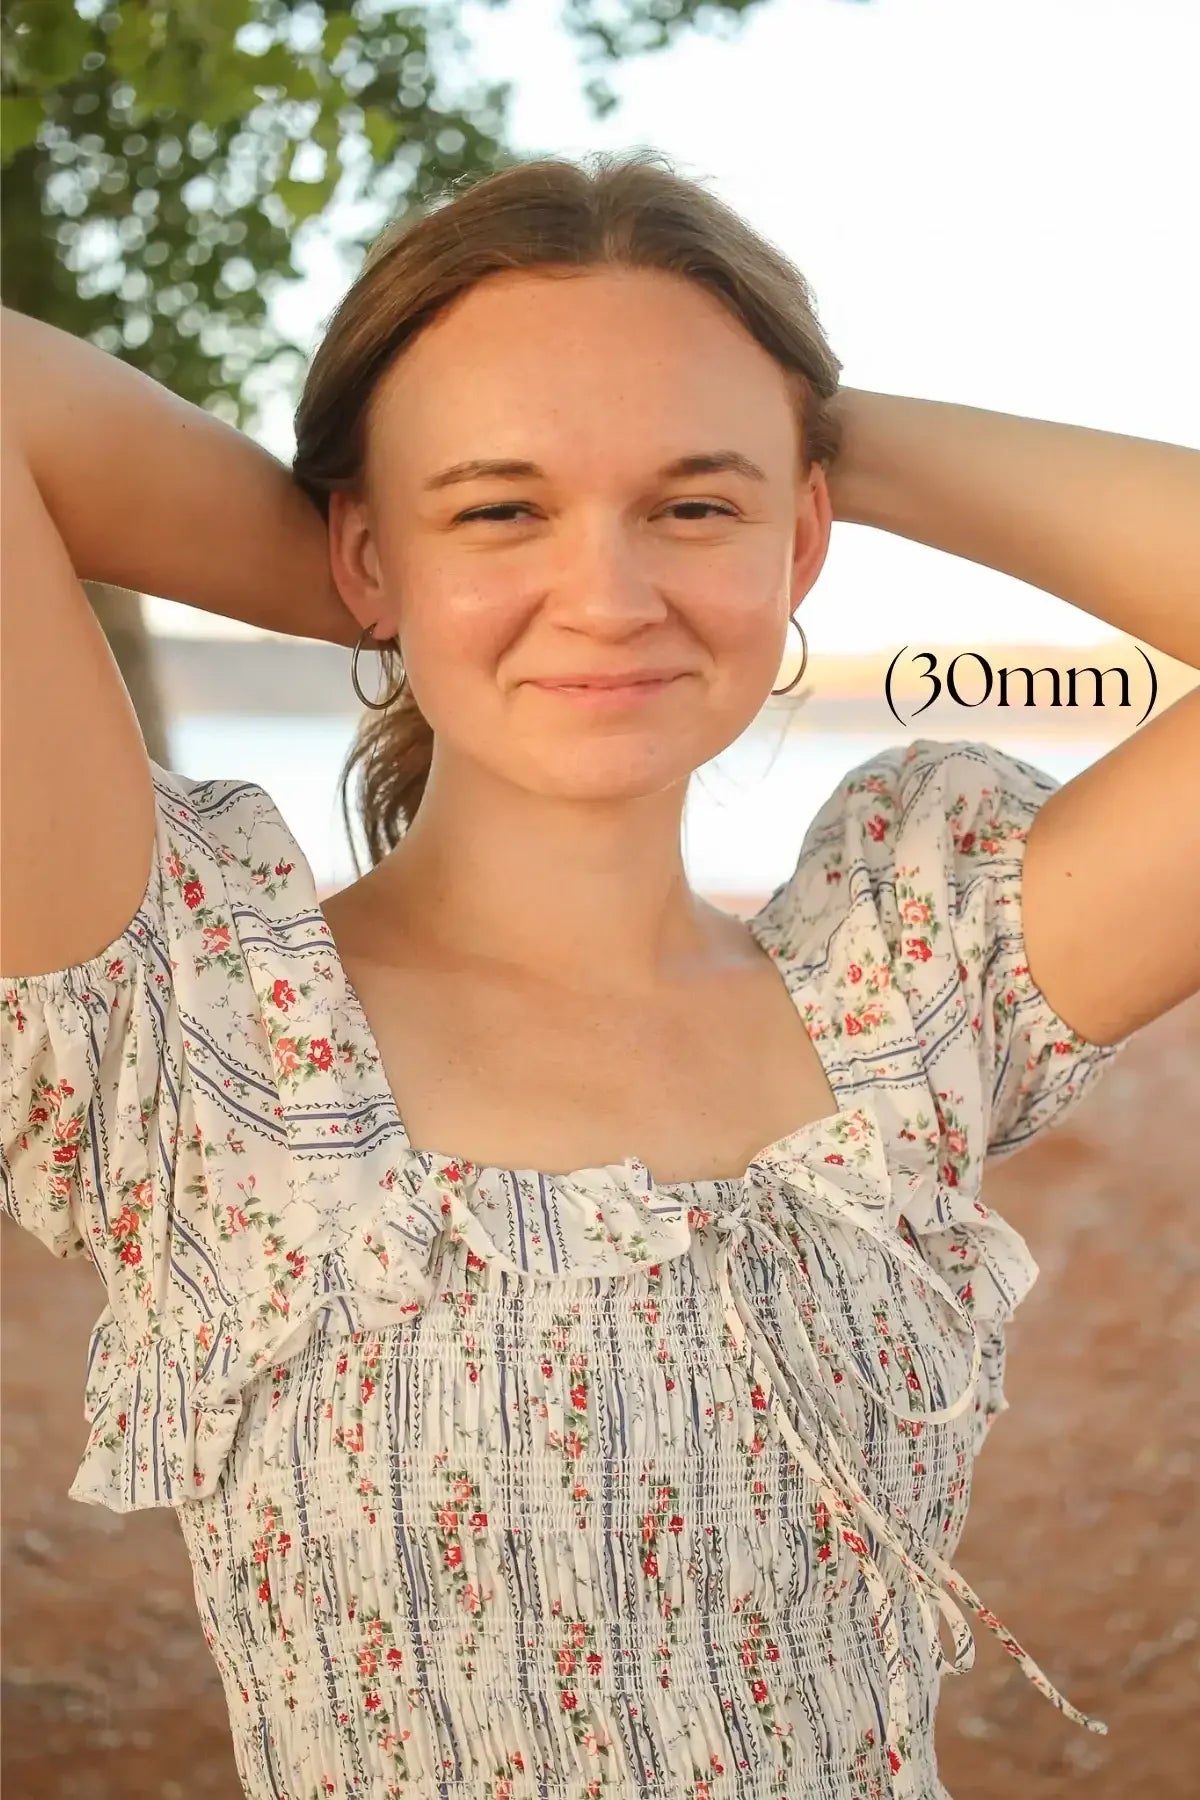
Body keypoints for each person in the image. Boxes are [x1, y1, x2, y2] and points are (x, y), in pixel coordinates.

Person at [1, 148, 1196, 1800]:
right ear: (365, 550)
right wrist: (397, 593)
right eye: (500, 507)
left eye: (693, 508)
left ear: (802, 538)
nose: (611, 598)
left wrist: (803, 426)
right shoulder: (198, 1019)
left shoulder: (911, 984)